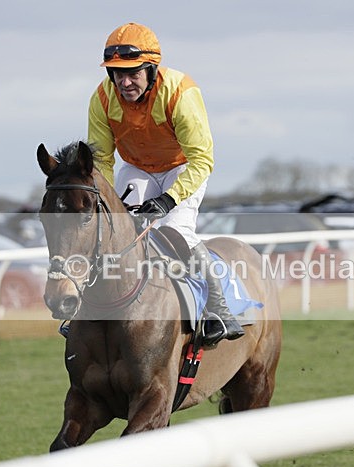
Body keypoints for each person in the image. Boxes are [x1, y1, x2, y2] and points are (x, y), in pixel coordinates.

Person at [85, 22, 243, 345]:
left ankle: (219, 308)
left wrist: (169, 199)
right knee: (115, 230)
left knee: (175, 230)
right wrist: (109, 204)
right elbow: (102, 161)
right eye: (117, 73)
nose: (124, 82)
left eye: (133, 73)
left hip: (182, 168)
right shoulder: (101, 100)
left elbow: (202, 160)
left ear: (151, 68)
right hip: (138, 168)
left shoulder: (180, 93)